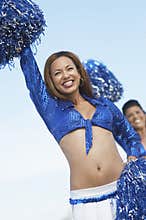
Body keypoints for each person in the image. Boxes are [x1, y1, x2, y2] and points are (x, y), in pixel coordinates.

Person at [20, 47, 146, 220]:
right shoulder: (51, 110)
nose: (65, 75)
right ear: (51, 81)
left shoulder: (104, 105)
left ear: (79, 73)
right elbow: (33, 81)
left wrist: (133, 156)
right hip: (86, 200)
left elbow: (130, 136)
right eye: (57, 73)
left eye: (69, 69)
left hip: (122, 190)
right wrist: (24, 47)